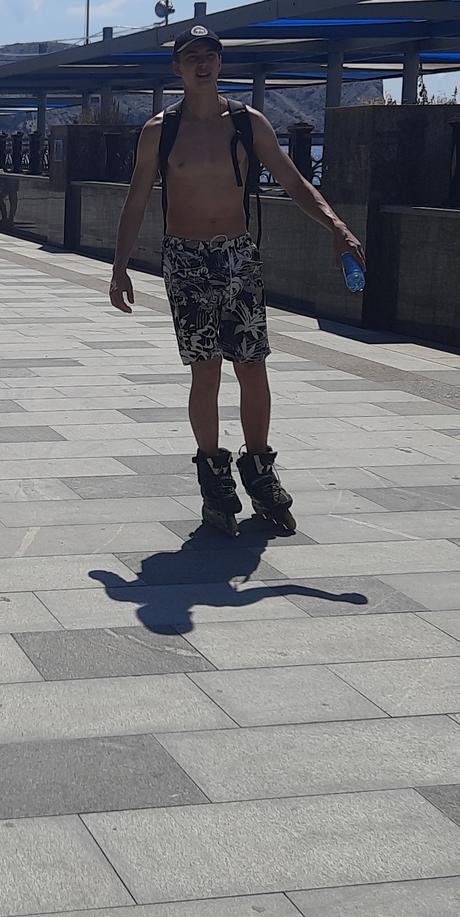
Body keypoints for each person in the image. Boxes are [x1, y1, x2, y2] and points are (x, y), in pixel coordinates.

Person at [109, 26, 365, 536]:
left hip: (239, 257)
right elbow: (137, 197)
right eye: (191, 57)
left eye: (210, 56)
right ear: (177, 68)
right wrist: (118, 269)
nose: (202, 64)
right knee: (205, 373)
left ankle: (261, 473)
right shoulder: (161, 130)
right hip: (186, 261)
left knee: (253, 366)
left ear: (220, 63)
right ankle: (214, 476)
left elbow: (292, 180)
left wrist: (336, 225)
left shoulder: (248, 124)